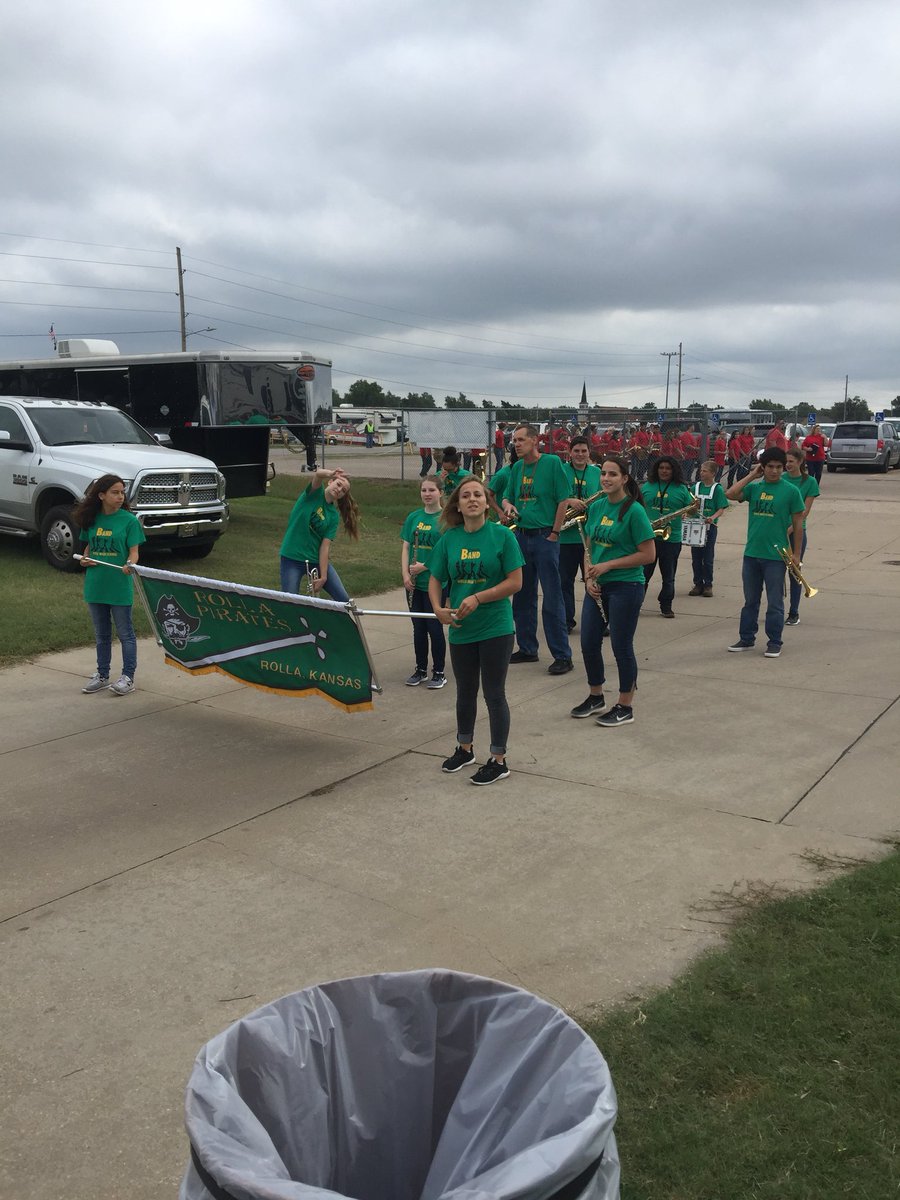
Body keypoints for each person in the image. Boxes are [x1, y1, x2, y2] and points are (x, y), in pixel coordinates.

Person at [429, 478, 524, 785]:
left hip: (495, 626)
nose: (472, 499)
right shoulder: (449, 539)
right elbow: (435, 579)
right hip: (461, 628)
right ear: (457, 505)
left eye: (478, 495)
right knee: (465, 692)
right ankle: (465, 748)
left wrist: (478, 597)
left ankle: (499, 759)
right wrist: (438, 608)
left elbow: (515, 582)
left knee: (494, 694)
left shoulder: (502, 536)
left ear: (487, 503)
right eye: (466, 495)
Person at [571, 454, 656, 727]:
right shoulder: (596, 508)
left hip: (626, 586)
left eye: (612, 474)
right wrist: (588, 576)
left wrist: (608, 566)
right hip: (598, 586)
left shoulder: (634, 511)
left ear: (625, 478)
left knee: (621, 645)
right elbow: (589, 548)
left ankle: (625, 705)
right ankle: (596, 696)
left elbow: (648, 555)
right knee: (588, 643)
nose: (606, 479)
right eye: (603, 474)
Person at [500, 423, 574, 674]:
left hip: (545, 537)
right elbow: (507, 496)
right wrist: (508, 506)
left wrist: (554, 532)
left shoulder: (552, 463)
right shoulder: (517, 468)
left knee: (552, 598)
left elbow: (563, 499)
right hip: (521, 536)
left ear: (535, 440)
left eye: (520, 439)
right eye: (514, 440)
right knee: (522, 595)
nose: (516, 444)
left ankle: (562, 655)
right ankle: (528, 648)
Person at [726, 447, 805, 658]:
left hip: (776, 557)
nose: (775, 471)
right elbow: (730, 494)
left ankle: (774, 641)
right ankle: (747, 638)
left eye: (779, 467)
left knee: (775, 602)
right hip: (752, 553)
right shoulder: (755, 488)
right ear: (764, 467)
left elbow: (798, 525)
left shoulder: (790, 491)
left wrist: (796, 554)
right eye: (770, 467)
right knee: (750, 600)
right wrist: (752, 475)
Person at [74, 473, 146, 696]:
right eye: (115, 492)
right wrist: (86, 559)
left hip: (119, 585)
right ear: (101, 495)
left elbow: (134, 553)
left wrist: (128, 564)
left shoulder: (129, 521)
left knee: (125, 634)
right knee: (102, 635)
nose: (120, 496)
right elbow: (89, 548)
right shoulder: (92, 519)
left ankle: (128, 677)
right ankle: (102, 675)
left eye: (122, 492)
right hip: (96, 584)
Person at [279, 467, 359, 601]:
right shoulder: (314, 494)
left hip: (315, 561)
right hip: (292, 558)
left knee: (344, 600)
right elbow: (317, 474)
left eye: (343, 490)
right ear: (330, 482)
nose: (339, 490)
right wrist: (330, 473)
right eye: (338, 484)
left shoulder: (333, 516)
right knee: (290, 601)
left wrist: (323, 577)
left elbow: (325, 546)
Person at [401, 477, 446, 688]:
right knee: (418, 629)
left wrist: (424, 567)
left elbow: (445, 552)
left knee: (434, 628)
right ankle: (420, 669)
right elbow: (406, 547)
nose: (427, 494)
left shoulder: (445, 519)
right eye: (424, 490)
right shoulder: (413, 517)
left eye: (431, 490)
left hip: (434, 583)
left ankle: (439, 671)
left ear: (440, 493)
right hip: (414, 584)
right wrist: (406, 576)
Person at [640, 456, 695, 618]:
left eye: (668, 468)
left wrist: (691, 509)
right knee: (642, 575)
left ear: (674, 471)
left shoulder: (682, 489)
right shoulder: (647, 486)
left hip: (671, 538)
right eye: (661, 468)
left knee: (668, 576)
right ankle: (636, 603)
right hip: (648, 537)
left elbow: (691, 509)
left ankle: (666, 605)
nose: (664, 471)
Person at [558, 436, 601, 631]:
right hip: (565, 536)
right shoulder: (560, 470)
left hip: (589, 537)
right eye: (576, 451)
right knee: (564, 582)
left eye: (584, 451)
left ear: (589, 453)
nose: (580, 454)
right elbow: (552, 495)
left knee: (593, 581)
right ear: (570, 452)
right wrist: (569, 501)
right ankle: (567, 620)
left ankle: (598, 619)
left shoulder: (596, 473)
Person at [784, 448, 820, 626]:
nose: (788, 465)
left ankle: (794, 612)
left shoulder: (810, 482)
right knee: (774, 572)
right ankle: (775, 609)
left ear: (800, 462)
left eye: (791, 461)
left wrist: (790, 530)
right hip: (779, 531)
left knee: (794, 572)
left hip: (796, 531)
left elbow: (804, 512)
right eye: (786, 461)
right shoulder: (780, 479)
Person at [688, 460, 729, 597]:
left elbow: (721, 508)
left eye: (704, 471)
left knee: (708, 557)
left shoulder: (717, 489)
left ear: (712, 473)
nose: (701, 473)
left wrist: (712, 517)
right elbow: (689, 505)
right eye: (701, 470)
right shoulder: (696, 487)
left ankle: (708, 585)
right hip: (696, 526)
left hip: (709, 528)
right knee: (696, 557)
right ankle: (697, 583)